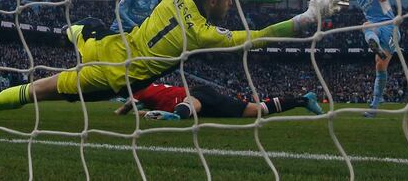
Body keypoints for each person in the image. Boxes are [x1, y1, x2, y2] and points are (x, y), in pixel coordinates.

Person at [0, 0, 341, 121]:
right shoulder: (205, 34)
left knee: (75, 28)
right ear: (213, 1)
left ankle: (42, 25)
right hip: (114, 74)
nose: (231, 3)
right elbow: (258, 36)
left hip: (105, 42)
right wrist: (306, 18)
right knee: (42, 89)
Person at [113, 83, 323, 120]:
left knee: (190, 103)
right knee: (255, 110)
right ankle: (303, 100)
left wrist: (122, 111)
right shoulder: (150, 90)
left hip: (197, 94)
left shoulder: (139, 90)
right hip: (205, 104)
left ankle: (178, 115)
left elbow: (125, 108)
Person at [347, 0, 398, 117]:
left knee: (366, 26)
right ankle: (374, 108)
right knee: (380, 66)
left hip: (389, 27)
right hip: (376, 28)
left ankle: (374, 44)